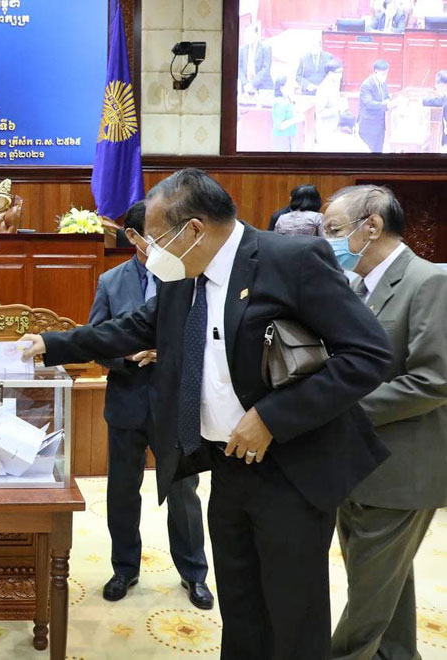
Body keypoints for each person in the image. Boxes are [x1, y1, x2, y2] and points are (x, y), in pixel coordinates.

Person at [20, 168, 392, 659]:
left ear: (193, 229)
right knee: (239, 602)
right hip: (227, 464)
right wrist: (49, 344)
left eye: (157, 239)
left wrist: (272, 418)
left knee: (293, 610)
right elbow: (132, 327)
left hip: (292, 470)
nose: (152, 251)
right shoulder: (183, 278)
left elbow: (368, 355)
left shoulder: (291, 260)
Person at [321, 186, 447, 660]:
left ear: (371, 226)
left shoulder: (427, 282)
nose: (328, 241)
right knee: (382, 582)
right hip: (358, 467)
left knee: (367, 602)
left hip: (401, 472)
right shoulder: (358, 286)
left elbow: (434, 379)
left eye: (334, 230)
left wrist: (339, 408)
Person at [90, 201, 212, 610]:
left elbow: (205, 337)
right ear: (134, 237)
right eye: (156, 234)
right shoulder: (111, 281)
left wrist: (169, 354)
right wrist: (126, 355)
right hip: (127, 401)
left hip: (175, 402)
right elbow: (96, 340)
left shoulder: (188, 276)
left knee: (183, 491)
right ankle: (124, 568)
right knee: (123, 491)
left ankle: (194, 573)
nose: (165, 242)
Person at [359, 60, 395, 153]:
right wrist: (386, 104)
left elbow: (386, 98)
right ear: (375, 72)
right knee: (369, 153)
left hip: (380, 125)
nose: (385, 77)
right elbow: (368, 103)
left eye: (386, 74)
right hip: (369, 126)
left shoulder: (383, 84)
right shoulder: (366, 85)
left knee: (378, 152)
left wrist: (392, 101)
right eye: (383, 74)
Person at [314, 59, 347, 144]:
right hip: (325, 131)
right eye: (338, 72)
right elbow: (319, 112)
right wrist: (337, 109)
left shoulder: (335, 83)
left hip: (334, 127)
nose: (341, 75)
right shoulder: (324, 88)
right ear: (330, 73)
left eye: (342, 72)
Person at [238, 22, 273, 93]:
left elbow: (266, 69)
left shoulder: (265, 47)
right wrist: (245, 83)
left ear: (257, 35)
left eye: (249, 34)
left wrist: (252, 84)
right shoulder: (242, 49)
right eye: (245, 34)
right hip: (246, 87)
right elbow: (238, 67)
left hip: (263, 86)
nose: (247, 36)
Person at [271, 76, 303, 152]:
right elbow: (279, 126)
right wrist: (296, 119)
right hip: (282, 139)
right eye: (289, 85)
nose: (292, 87)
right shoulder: (279, 103)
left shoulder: (288, 99)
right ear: (282, 88)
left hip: (291, 136)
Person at [421, 69, 447, 150]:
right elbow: (440, 100)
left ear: (442, 86)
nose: (436, 88)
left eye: (437, 85)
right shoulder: (444, 98)